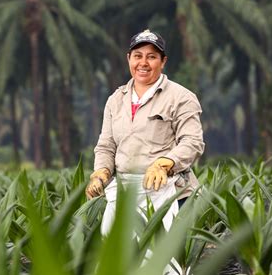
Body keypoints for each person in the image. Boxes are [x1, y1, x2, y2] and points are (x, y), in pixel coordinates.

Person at [85, 29, 205, 233]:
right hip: (126, 192)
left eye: (152, 57)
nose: (143, 63)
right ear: (128, 59)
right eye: (138, 56)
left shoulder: (181, 97)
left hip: (169, 191)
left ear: (163, 61)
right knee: (119, 258)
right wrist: (101, 172)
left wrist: (164, 164)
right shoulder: (116, 100)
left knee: (165, 259)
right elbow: (106, 145)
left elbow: (192, 142)